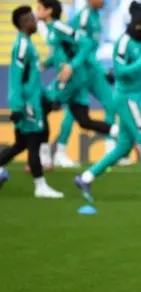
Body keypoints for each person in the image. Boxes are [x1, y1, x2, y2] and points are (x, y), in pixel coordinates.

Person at [74, 1, 141, 204]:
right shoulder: (124, 43)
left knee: (123, 146)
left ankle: (85, 178)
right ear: (137, 24)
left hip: (135, 97)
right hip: (127, 98)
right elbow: (120, 72)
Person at [35, 0, 118, 171]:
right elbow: (72, 47)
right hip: (83, 69)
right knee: (75, 115)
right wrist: (49, 63)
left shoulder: (94, 17)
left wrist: (80, 67)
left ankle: (113, 150)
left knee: (104, 107)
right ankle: (57, 153)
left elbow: (80, 46)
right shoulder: (84, 17)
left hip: (84, 71)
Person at [0, 5, 63, 198]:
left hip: (33, 100)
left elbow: (33, 79)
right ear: (24, 24)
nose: (35, 21)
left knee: (20, 144)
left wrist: (48, 98)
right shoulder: (22, 46)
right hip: (27, 104)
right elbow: (16, 78)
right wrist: (18, 106)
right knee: (34, 141)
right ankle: (40, 186)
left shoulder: (28, 44)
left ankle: (40, 185)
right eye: (31, 19)